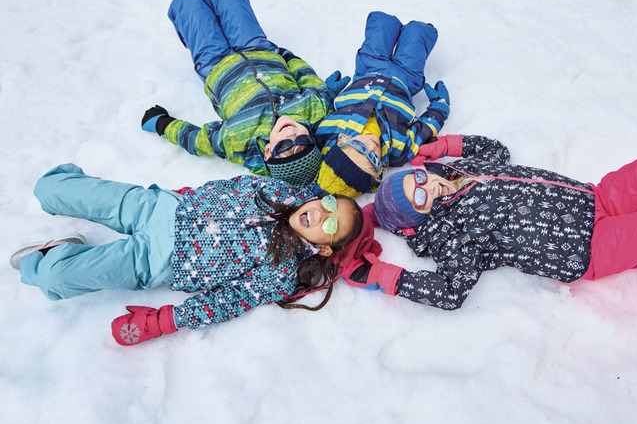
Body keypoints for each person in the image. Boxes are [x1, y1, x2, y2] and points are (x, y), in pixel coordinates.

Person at [347, 135, 637, 316]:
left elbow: (497, 149)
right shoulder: (449, 235)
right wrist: (386, 276)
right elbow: (451, 291)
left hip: (595, 198)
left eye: (417, 179)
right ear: (415, 220)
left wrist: (447, 147)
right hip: (588, 247)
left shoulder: (462, 172)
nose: (429, 186)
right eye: (420, 198)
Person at [10, 162, 378, 346]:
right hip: (161, 208)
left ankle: (58, 253)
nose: (323, 214)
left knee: (53, 278)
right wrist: (189, 197)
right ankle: (70, 198)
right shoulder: (279, 190)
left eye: (332, 225)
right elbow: (230, 185)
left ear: (326, 246)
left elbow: (230, 300)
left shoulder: (281, 271)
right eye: (329, 204)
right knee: (48, 189)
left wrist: (164, 321)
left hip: (157, 259)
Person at [141, 0, 350, 187]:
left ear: (268, 152)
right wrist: (288, 58)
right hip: (259, 50)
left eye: (285, 145)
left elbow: (197, 140)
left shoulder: (237, 141)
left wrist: (162, 124)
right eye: (303, 142)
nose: (291, 134)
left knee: (189, 7)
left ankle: (192, 6)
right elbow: (308, 78)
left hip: (216, 66)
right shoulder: (314, 110)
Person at [314, 11, 450, 198]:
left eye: (360, 148)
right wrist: (439, 107)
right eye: (374, 159)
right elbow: (424, 129)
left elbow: (324, 110)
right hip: (405, 80)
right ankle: (418, 31)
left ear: (343, 143)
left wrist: (328, 92)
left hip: (368, 70)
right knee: (419, 34)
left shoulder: (328, 132)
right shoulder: (398, 150)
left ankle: (390, 25)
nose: (371, 148)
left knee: (381, 23)